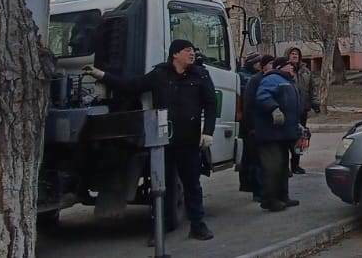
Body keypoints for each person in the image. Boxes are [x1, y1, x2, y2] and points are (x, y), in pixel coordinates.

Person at [83, 39, 216, 241]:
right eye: (187, 50)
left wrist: (208, 132)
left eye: (192, 51)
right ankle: (159, 230)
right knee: (162, 186)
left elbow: (211, 104)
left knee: (192, 184)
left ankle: (198, 226)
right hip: (164, 140)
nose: (192, 54)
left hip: (189, 139)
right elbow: (131, 85)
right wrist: (101, 75)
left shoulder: (201, 75)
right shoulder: (160, 75)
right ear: (175, 54)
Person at [251, 55, 302, 211]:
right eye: (288, 64)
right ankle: (269, 200)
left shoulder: (289, 81)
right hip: (270, 133)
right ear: (280, 67)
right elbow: (262, 96)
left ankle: (283, 196)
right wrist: (274, 108)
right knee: (272, 167)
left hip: (284, 133)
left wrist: (297, 125)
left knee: (282, 166)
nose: (292, 66)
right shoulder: (272, 79)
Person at [286, 47, 321, 175]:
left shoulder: (306, 71)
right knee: (287, 138)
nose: (294, 56)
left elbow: (313, 89)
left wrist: (315, 103)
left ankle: (296, 165)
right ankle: (285, 167)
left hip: (302, 109)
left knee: (300, 138)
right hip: (289, 111)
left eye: (297, 54)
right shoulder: (285, 70)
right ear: (288, 56)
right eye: (292, 54)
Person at [237, 54, 265, 201]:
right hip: (248, 123)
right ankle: (255, 189)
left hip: (252, 122)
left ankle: (252, 186)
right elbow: (244, 101)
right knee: (252, 158)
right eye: (258, 63)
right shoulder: (246, 78)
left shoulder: (256, 77)